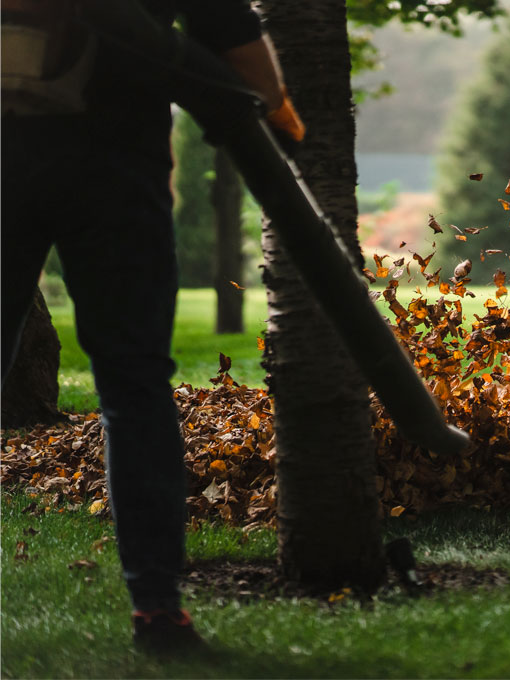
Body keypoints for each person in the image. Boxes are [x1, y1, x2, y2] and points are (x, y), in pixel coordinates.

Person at [1, 0, 302, 653]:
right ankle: (158, 611)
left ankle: (160, 607)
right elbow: (238, 53)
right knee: (134, 389)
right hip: (115, 174)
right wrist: (274, 108)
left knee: (134, 389)